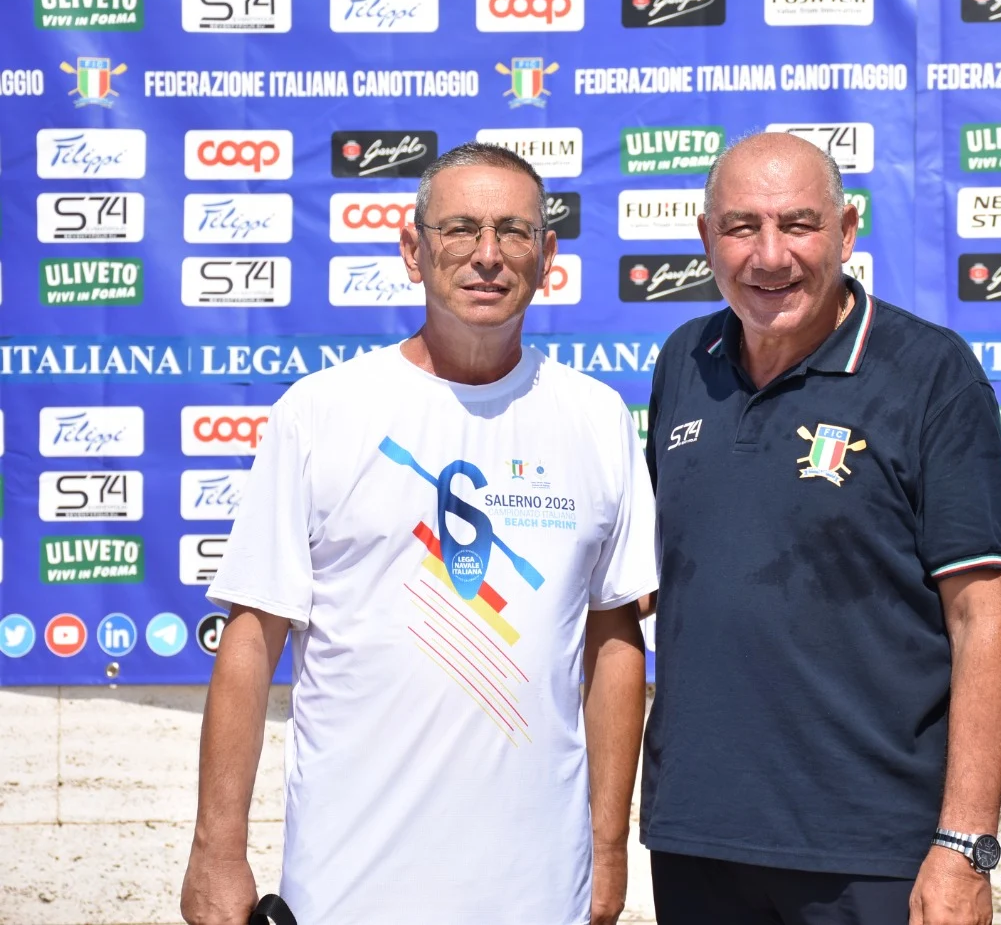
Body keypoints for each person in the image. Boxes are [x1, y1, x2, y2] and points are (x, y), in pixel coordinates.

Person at [180, 142, 657, 925]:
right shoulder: (321, 412)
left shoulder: (597, 418)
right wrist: (216, 849)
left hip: (539, 888)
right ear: (413, 249)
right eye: (460, 228)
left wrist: (607, 848)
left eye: (513, 231)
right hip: (349, 886)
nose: (487, 254)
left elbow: (614, 641)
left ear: (547, 256)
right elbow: (251, 638)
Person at [640, 131, 1001, 925]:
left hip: (873, 851)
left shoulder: (931, 374)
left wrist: (966, 843)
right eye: (742, 227)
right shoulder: (683, 360)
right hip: (697, 838)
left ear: (846, 231)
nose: (769, 255)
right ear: (706, 238)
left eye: (798, 224)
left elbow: (982, 619)